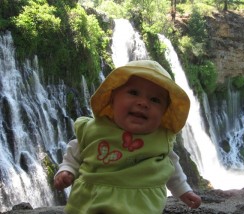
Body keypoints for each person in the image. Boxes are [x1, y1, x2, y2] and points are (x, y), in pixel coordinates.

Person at [54, 60, 201, 214]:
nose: (143, 103)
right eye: (133, 93)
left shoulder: (160, 138)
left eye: (155, 100)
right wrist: (67, 169)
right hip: (90, 202)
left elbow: (171, 167)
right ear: (112, 99)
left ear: (164, 112)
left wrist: (183, 190)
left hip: (140, 206)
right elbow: (76, 151)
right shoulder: (94, 129)